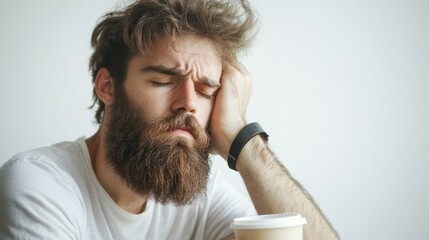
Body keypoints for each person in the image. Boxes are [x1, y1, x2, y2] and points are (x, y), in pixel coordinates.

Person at [0, 0, 339, 239]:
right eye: (163, 81)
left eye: (207, 90)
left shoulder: (203, 200)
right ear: (108, 87)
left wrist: (243, 140)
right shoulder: (41, 186)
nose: (188, 104)